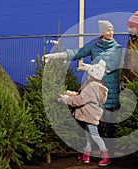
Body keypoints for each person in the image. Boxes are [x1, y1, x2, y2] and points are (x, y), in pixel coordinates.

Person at [43, 20, 122, 155]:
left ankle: (111, 154)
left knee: (109, 124)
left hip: (109, 91)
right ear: (102, 32)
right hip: (93, 90)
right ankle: (90, 152)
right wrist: (54, 56)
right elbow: (76, 53)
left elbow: (110, 65)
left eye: (112, 29)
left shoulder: (117, 48)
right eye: (108, 30)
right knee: (90, 123)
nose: (111, 33)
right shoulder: (95, 47)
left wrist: (89, 67)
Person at [58, 60, 111, 167]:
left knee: (95, 136)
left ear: (93, 75)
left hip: (90, 115)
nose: (87, 76)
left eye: (89, 74)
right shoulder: (96, 86)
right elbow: (81, 95)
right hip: (89, 115)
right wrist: (69, 93)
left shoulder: (91, 87)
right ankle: (86, 156)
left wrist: (65, 99)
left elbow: (79, 100)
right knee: (88, 136)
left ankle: (106, 157)